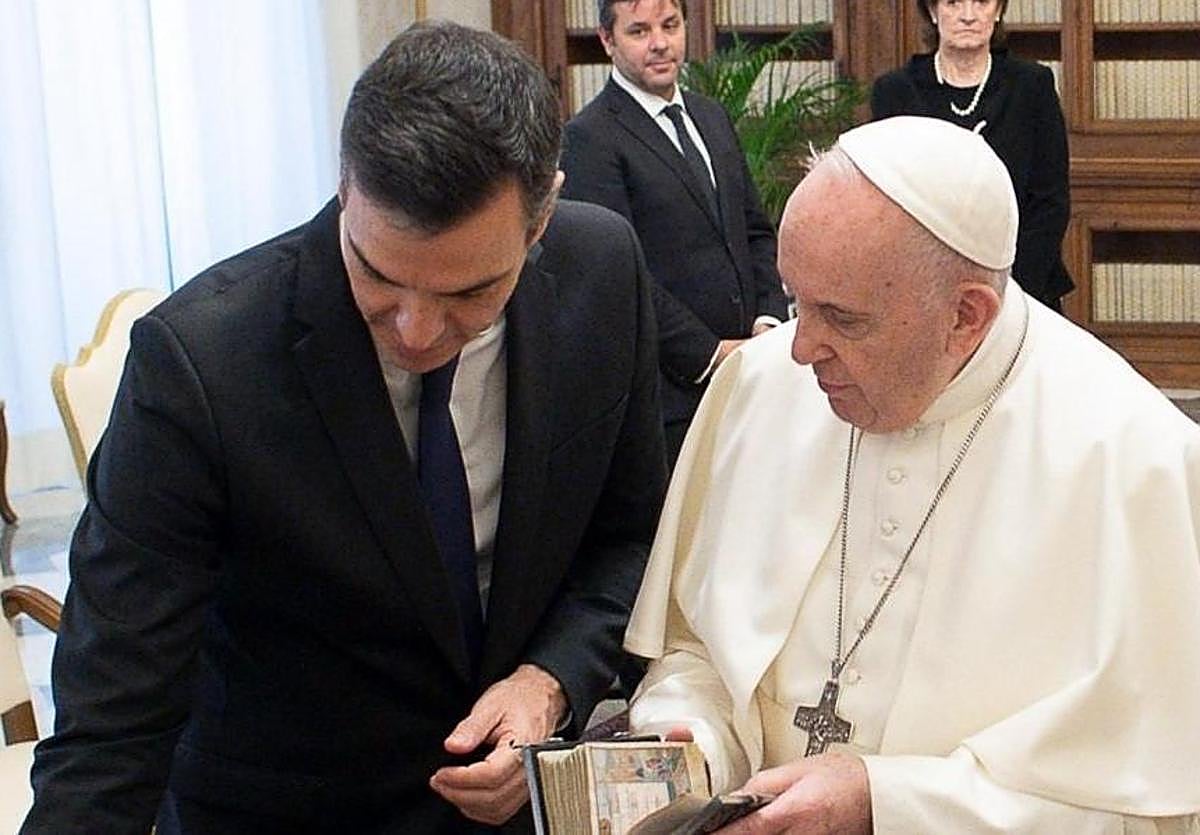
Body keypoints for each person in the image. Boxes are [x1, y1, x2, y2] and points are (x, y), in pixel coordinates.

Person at [22, 22, 667, 834]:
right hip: (283, 808)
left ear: (539, 222)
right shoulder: (200, 366)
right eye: (378, 275)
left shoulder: (602, 274)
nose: (417, 331)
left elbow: (633, 539)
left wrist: (552, 679)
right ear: (343, 187)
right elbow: (112, 720)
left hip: (516, 810)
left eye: (469, 293)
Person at [624, 116, 1200, 832]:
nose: (800, 349)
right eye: (794, 299)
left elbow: (1151, 809)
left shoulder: (1135, 462)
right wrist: (696, 740)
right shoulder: (756, 388)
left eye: (841, 316)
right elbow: (695, 648)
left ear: (965, 315)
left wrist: (887, 806)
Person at [560, 0, 789, 468]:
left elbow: (755, 231)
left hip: (755, 376)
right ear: (607, 40)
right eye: (639, 31)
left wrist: (767, 321)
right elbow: (619, 276)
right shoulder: (589, 138)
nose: (660, 43)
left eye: (670, 26)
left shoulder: (711, 117)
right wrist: (710, 353)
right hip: (673, 398)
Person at [871, 0, 1074, 313]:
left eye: (981, 2)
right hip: (924, 293)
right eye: (953, 3)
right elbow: (888, 204)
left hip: (1024, 289)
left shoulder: (1032, 86)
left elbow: (1050, 202)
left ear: (998, 11)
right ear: (933, 12)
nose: (968, 15)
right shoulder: (896, 92)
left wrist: (1008, 292)